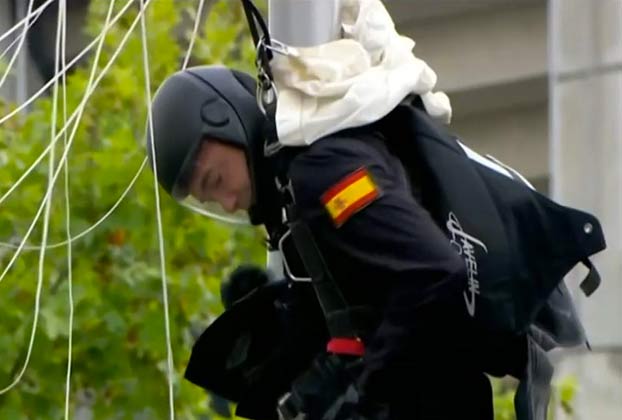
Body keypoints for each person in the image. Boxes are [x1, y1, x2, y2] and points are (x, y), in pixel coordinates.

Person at [146, 65, 603, 420]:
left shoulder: (322, 171)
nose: (227, 202)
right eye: (210, 197)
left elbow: (432, 272)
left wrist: (363, 388)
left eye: (217, 179)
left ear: (228, 122)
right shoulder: (295, 192)